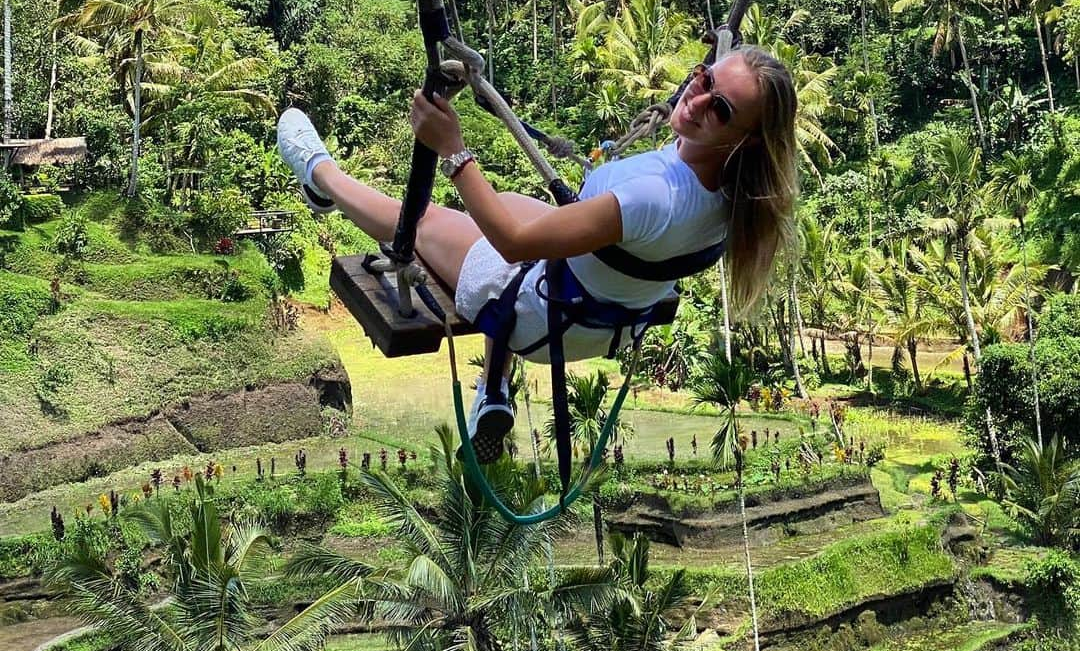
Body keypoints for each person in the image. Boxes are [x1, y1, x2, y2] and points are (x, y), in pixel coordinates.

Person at [277, 46, 798, 459]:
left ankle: (323, 178)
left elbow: (513, 243)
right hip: (600, 316)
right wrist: (723, 86)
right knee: (507, 200)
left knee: (426, 220)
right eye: (704, 78)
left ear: (746, 139)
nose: (699, 98)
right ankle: (494, 388)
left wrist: (451, 148)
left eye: (722, 108)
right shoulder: (737, 196)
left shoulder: (654, 198)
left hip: (531, 307)